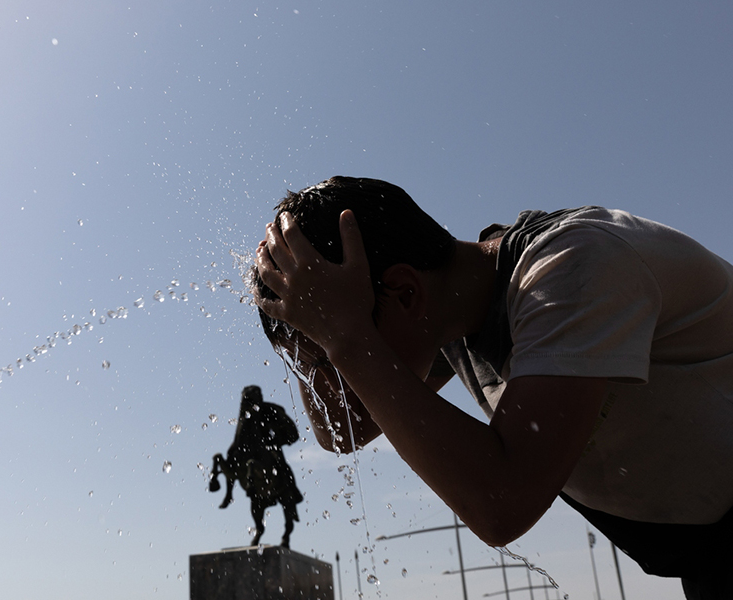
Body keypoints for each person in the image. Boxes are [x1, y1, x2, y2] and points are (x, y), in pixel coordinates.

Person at [251, 176, 733, 599]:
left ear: (406, 293)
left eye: (337, 352)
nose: (344, 371)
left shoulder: (572, 268)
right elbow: (342, 428)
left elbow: (502, 502)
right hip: (711, 558)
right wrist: (318, 340)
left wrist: (344, 339)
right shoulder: (449, 316)